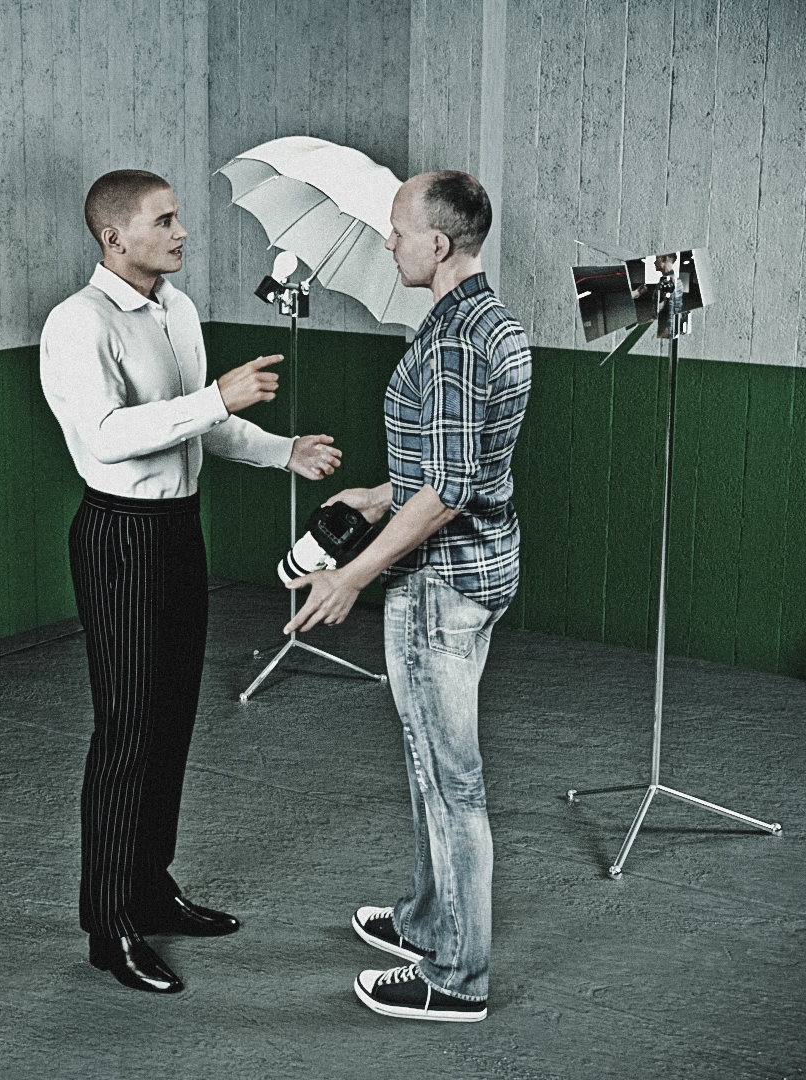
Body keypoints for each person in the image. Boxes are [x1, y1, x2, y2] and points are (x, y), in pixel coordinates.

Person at [40, 169, 341, 994]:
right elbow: (106, 436)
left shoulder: (178, 310)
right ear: (114, 238)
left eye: (178, 219)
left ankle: (149, 888)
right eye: (164, 220)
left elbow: (203, 428)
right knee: (126, 729)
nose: (181, 233)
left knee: (171, 719)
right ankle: (109, 926)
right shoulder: (78, 322)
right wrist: (215, 397)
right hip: (119, 536)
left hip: (178, 532)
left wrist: (283, 451)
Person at [285, 171, 531, 1022]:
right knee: (432, 763)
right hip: (482, 569)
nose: (387, 241)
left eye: (397, 229)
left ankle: (456, 976)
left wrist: (351, 575)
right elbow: (458, 465)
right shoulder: (490, 320)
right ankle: (430, 918)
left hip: (441, 584)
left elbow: (451, 491)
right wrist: (377, 495)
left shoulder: (455, 342)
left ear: (439, 241)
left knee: (449, 781)